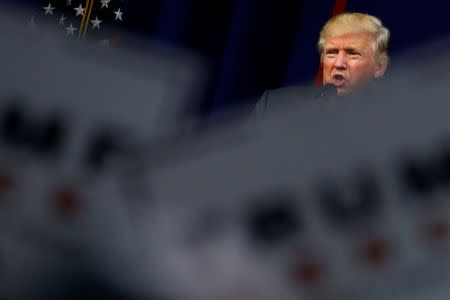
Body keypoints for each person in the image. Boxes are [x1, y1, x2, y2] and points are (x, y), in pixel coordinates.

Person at [254, 12, 390, 115]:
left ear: (379, 67)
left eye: (353, 53)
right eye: (332, 52)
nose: (338, 63)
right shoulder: (274, 106)